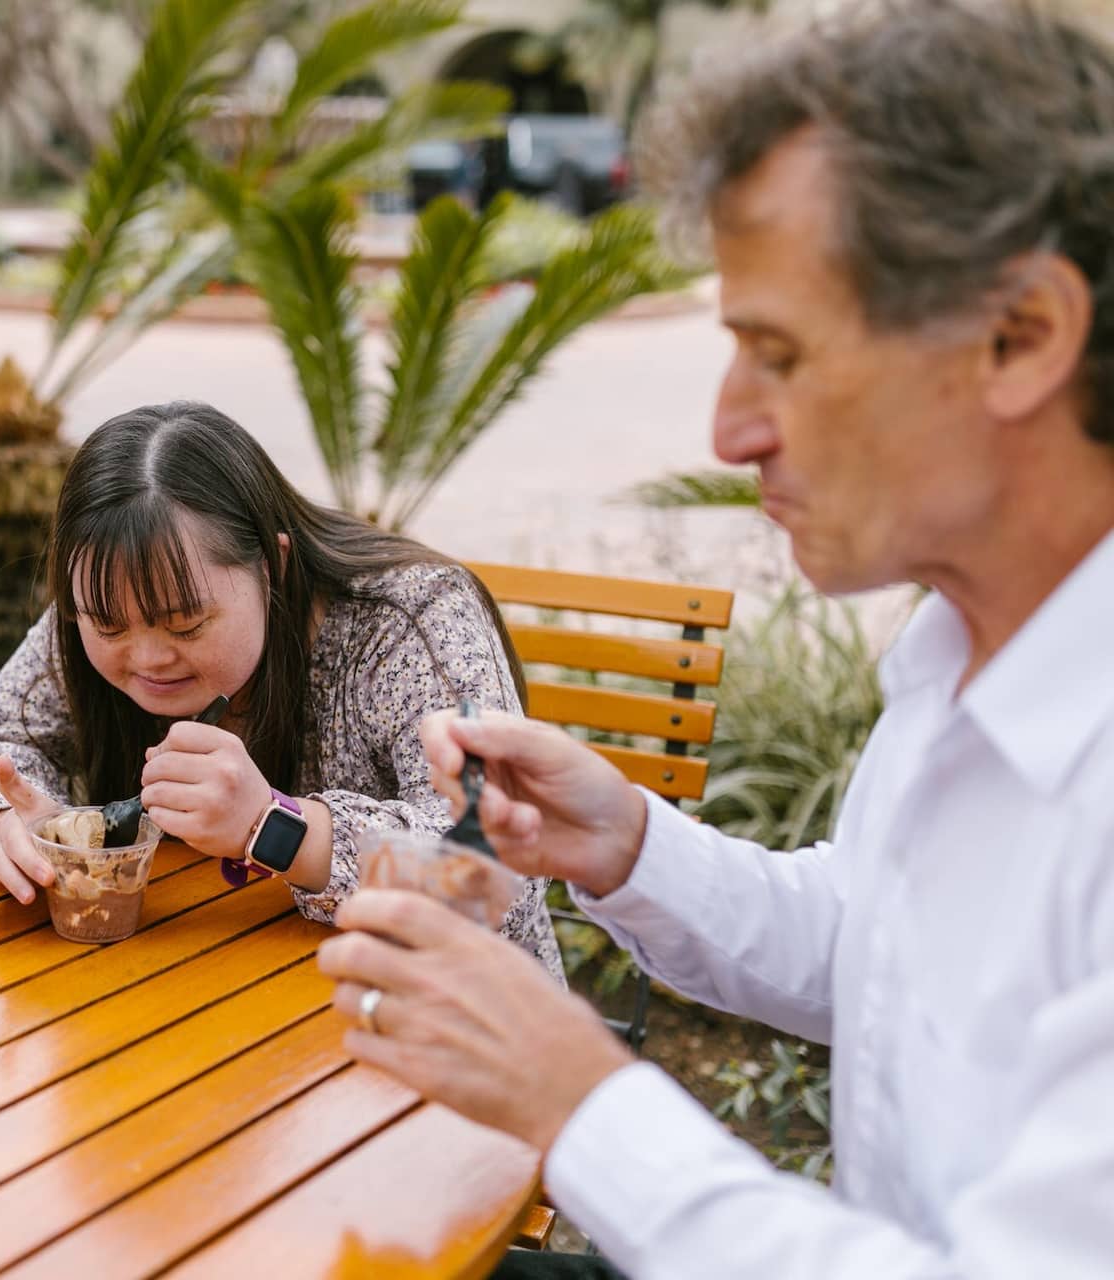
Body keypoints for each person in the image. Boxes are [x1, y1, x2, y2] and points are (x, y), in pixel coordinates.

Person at [318, 1, 1114, 1275]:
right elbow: (877, 946)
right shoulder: (962, 651)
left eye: (778, 354)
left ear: (1020, 337)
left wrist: (578, 1098)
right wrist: (627, 845)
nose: (729, 430)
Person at [0, 401, 559, 970]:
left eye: (186, 624)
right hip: (199, 1005)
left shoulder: (411, 618)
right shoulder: (109, 593)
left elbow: (492, 878)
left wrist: (272, 826)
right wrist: (9, 830)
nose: (146, 658)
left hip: (451, 1041)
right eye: (106, 624)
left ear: (272, 564)